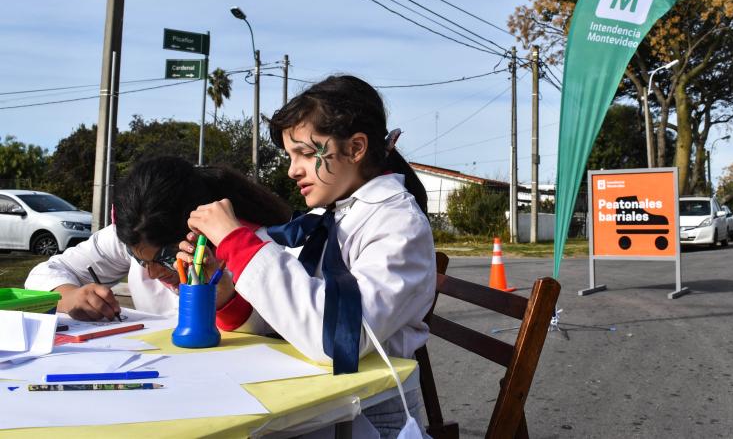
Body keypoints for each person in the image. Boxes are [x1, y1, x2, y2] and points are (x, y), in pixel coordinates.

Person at [184, 75, 435, 436]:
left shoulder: (399, 225)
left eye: (304, 153)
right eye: (290, 155)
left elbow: (337, 338)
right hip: (319, 406)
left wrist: (238, 242)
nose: (292, 169)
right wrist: (229, 296)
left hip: (371, 421)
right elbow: (293, 315)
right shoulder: (328, 218)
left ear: (355, 148)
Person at [25, 156, 291, 321]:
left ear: (203, 229)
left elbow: (282, 321)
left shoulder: (257, 249)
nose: (152, 274)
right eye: (137, 259)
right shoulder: (138, 237)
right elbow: (44, 273)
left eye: (166, 258)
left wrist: (224, 297)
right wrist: (70, 297)